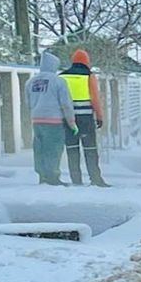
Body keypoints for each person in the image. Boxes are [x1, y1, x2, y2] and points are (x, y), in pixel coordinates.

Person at [24, 51, 78, 186]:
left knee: (40, 148)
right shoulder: (58, 81)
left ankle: (42, 176)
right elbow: (66, 104)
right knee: (54, 148)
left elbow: (27, 102)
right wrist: (71, 123)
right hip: (54, 121)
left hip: (36, 120)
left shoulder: (31, 81)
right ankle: (53, 177)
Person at [59, 49, 109, 187]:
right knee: (90, 149)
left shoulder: (62, 76)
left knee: (72, 148)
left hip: (68, 119)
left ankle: (76, 180)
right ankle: (95, 179)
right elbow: (95, 98)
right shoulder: (89, 75)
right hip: (86, 118)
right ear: (86, 61)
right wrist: (99, 116)